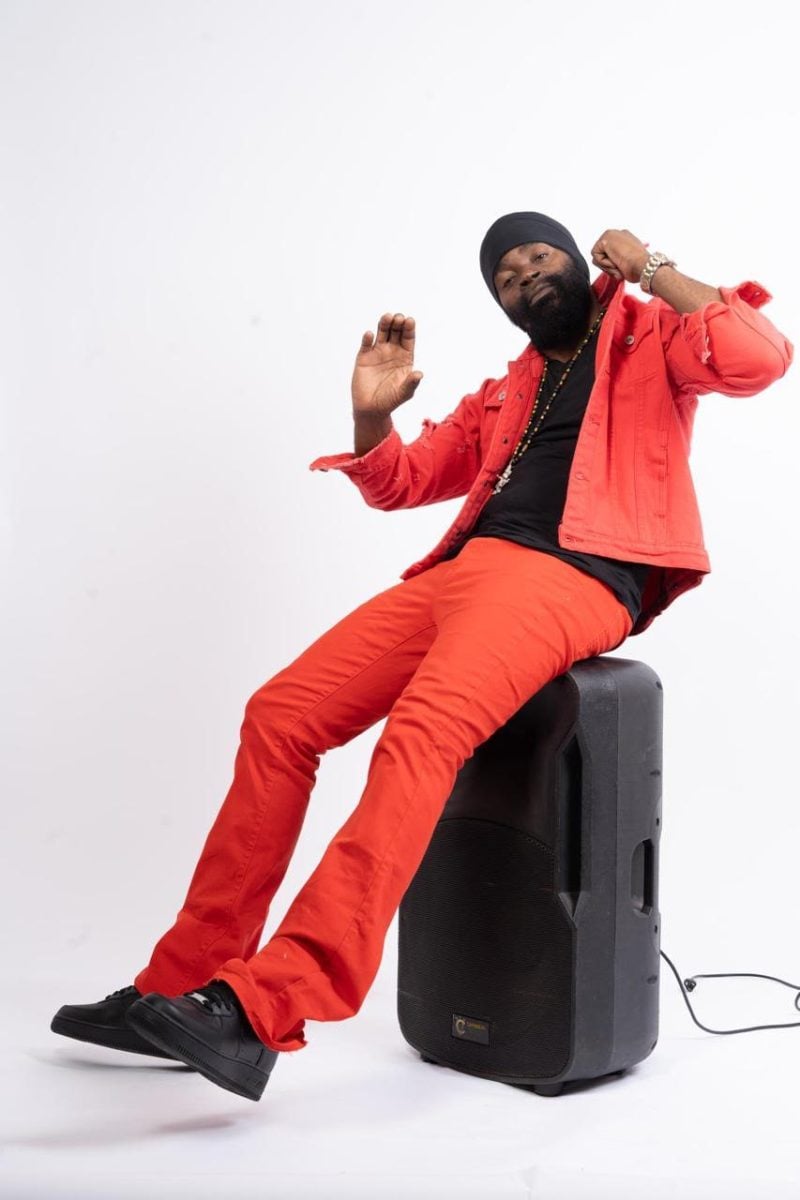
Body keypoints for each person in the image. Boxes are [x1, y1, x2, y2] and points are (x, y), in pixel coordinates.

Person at [51, 212, 793, 1102]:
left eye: (538, 255)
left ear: (577, 259)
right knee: (281, 716)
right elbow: (404, 481)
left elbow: (760, 357)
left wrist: (651, 265)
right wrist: (371, 417)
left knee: (420, 736)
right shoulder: (508, 391)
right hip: (462, 574)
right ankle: (181, 984)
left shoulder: (651, 336)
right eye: (505, 275)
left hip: (574, 576)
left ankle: (264, 1006)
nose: (525, 274)